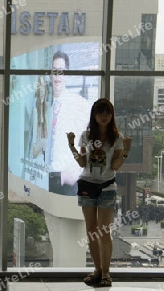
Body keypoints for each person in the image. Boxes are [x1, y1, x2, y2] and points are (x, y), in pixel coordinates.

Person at [67, 98, 132, 287]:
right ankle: (97, 271)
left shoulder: (116, 138)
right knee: (91, 230)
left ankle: (106, 273)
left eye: (107, 112)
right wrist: (71, 146)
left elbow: (115, 166)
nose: (104, 116)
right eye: (100, 112)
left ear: (111, 116)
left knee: (104, 231)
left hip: (107, 187)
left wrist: (126, 151)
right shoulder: (86, 136)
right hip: (87, 185)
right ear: (94, 115)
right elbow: (81, 162)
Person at [49, 51, 92, 195]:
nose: (57, 76)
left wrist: (77, 168)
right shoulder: (42, 105)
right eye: (54, 71)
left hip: (68, 180)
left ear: (67, 74)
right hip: (45, 178)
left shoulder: (79, 104)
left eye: (61, 71)